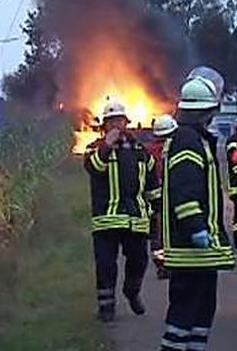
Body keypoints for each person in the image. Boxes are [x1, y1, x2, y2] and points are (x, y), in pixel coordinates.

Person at [160, 73, 236, 351]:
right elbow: (185, 192)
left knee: (201, 314)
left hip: (199, 255)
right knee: (184, 316)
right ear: (207, 111)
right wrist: (197, 229)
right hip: (190, 251)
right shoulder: (188, 141)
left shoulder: (196, 139)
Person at [83, 100, 160, 323]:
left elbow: (153, 187)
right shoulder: (95, 148)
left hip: (136, 219)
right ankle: (106, 308)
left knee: (139, 261)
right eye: (112, 122)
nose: (117, 125)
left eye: (120, 121)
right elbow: (94, 167)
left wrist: (156, 215)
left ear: (127, 123)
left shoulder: (141, 152)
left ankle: (132, 291)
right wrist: (107, 145)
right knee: (106, 265)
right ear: (104, 125)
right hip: (106, 220)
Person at [149, 114, 178, 281]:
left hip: (155, 199)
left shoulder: (148, 150)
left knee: (157, 234)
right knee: (172, 231)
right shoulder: (176, 148)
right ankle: (173, 263)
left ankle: (161, 265)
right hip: (173, 197)